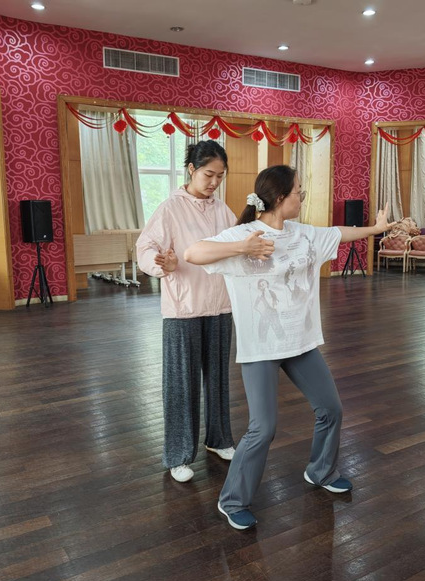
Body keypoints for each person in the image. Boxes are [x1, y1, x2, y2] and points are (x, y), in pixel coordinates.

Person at [184, 165, 392, 529]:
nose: (303, 198)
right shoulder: (244, 234)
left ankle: (321, 470)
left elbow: (339, 233)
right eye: (299, 192)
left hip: (301, 343)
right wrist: (243, 247)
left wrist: (375, 229)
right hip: (262, 347)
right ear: (281, 197)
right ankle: (232, 500)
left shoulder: (302, 233)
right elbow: (193, 253)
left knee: (331, 409)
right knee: (263, 428)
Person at [136, 140, 237, 483]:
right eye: (209, 174)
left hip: (220, 305)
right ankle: (178, 455)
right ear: (192, 169)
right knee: (182, 384)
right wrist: (162, 265)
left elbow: (235, 246)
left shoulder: (223, 211)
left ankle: (219, 439)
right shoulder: (170, 209)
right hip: (183, 309)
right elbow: (145, 247)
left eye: (220, 176)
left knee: (218, 379)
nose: (214, 182)